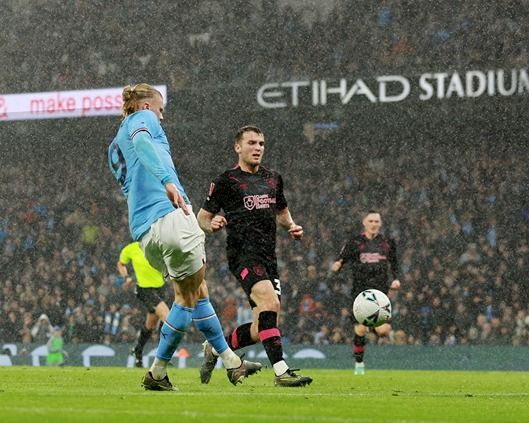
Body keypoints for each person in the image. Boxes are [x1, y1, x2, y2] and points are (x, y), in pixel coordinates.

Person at [107, 84, 261, 391]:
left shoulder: (114, 145)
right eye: (161, 110)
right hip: (170, 215)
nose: (162, 118)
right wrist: (167, 181)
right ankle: (158, 371)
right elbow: (143, 141)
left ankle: (232, 362)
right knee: (186, 298)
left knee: (197, 290)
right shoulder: (143, 119)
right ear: (148, 106)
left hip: (144, 232)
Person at [196, 125, 313, 387]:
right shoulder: (226, 181)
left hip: (268, 257)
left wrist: (291, 226)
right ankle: (281, 372)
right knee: (270, 305)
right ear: (238, 147)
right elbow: (202, 217)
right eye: (252, 143)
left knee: (263, 327)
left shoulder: (273, 178)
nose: (258, 148)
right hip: (242, 255)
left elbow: (282, 212)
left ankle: (216, 348)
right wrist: (212, 224)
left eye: (261, 143)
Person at [331, 210, 401, 375]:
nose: (374, 224)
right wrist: (338, 264)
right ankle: (359, 363)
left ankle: (372, 327)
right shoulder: (355, 242)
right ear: (364, 222)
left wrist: (396, 278)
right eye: (371, 221)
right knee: (361, 329)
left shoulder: (387, 242)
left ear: (380, 223)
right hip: (360, 293)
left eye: (377, 221)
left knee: (384, 331)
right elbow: (342, 257)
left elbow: (395, 263)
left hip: (380, 294)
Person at [117, 241, 170, 368]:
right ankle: (163, 357)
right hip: (144, 289)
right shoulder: (131, 248)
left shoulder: (158, 245)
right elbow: (121, 263)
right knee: (167, 318)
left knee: (150, 326)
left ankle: (137, 350)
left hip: (160, 289)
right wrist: (126, 277)